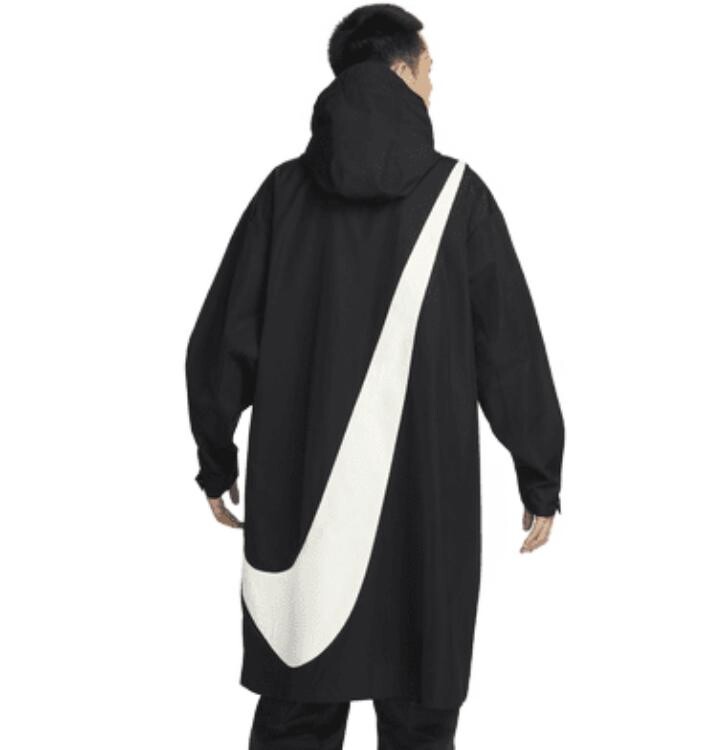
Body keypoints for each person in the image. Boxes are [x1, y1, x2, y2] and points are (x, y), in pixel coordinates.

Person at [185, 4, 565, 748]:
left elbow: (221, 341)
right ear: (399, 69)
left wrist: (216, 459)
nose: (433, 86)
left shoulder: (283, 196)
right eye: (429, 70)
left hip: (299, 501)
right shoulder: (459, 196)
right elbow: (511, 350)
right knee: (421, 703)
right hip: (427, 504)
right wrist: (539, 473)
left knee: (298, 701)